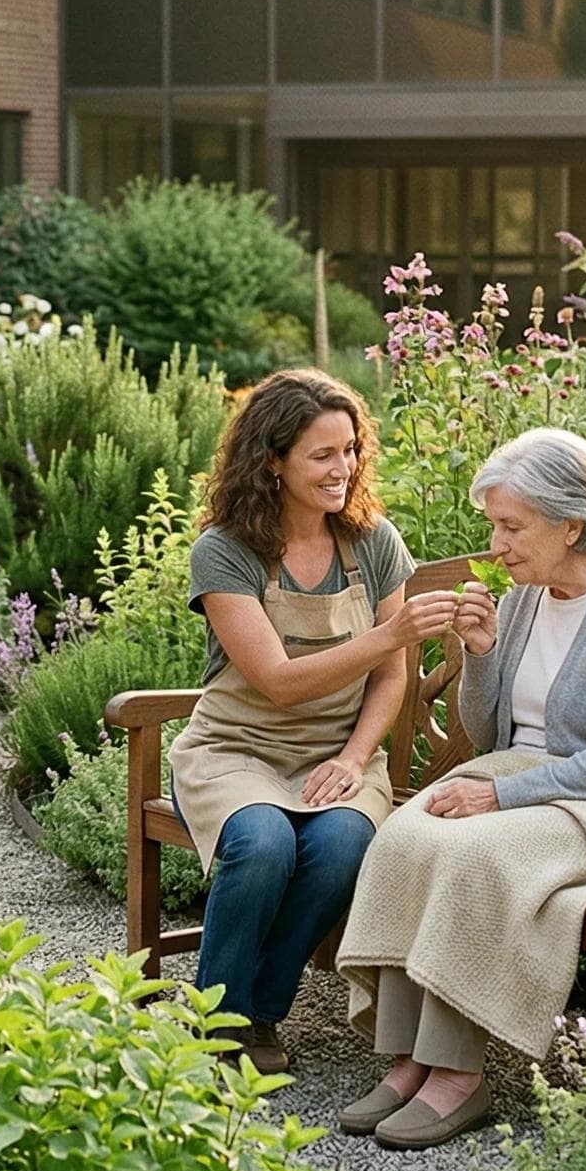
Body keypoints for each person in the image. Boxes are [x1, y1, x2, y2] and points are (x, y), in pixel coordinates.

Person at [335, 429, 586, 1151]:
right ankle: (409, 1055)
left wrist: (498, 799)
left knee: (474, 854)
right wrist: (480, 654)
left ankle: (457, 1076)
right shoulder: (534, 590)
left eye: (511, 526)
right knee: (407, 836)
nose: (496, 546)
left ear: (571, 524)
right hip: (538, 783)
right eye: (494, 526)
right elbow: (489, 734)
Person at [171, 369, 458, 1076]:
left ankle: (259, 1013)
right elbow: (276, 681)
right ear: (273, 459)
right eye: (322, 455)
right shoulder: (226, 550)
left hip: (338, 753)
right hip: (235, 749)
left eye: (351, 450)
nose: (344, 468)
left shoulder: (373, 542)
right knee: (263, 841)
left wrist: (356, 758)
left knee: (339, 846)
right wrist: (388, 637)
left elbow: (393, 678)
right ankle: (214, 1022)